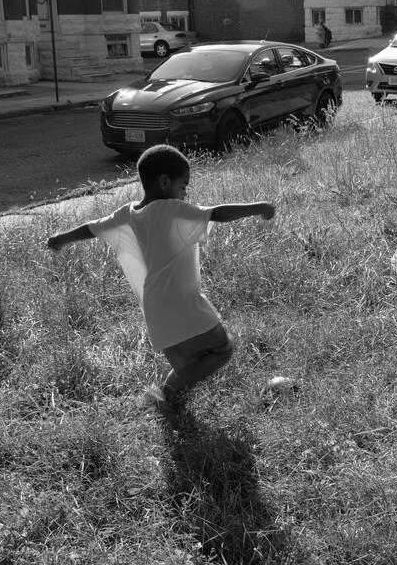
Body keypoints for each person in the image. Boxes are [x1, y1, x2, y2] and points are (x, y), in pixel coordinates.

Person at [46, 144, 276, 427]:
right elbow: (216, 213)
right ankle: (164, 393)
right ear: (165, 182)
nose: (185, 193)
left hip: (154, 306)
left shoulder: (127, 213)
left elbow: (91, 227)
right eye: (183, 186)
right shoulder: (172, 209)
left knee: (187, 365)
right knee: (223, 348)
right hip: (181, 302)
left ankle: (169, 401)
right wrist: (260, 207)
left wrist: (61, 238)